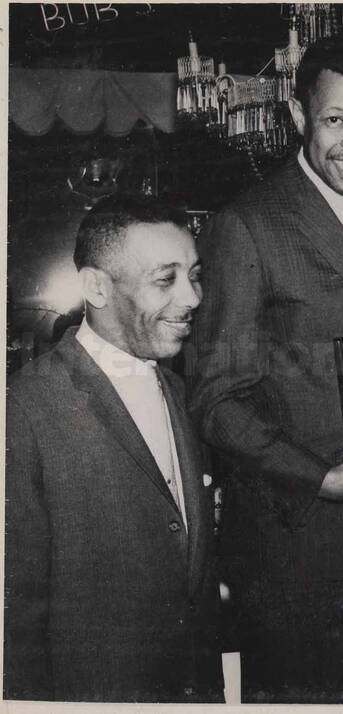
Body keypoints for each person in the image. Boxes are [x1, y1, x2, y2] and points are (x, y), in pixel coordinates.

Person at [187, 35, 343, 704]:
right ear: (298, 119)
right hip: (304, 558)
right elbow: (216, 399)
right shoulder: (250, 225)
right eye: (335, 120)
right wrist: (322, 477)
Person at [4, 194, 222, 702]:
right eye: (165, 279)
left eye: (194, 275)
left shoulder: (175, 388)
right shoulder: (24, 409)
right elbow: (16, 620)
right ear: (96, 287)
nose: (192, 298)